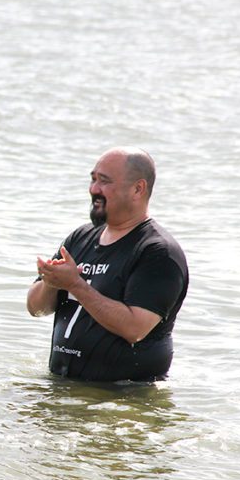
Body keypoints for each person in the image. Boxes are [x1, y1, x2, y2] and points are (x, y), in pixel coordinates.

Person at [26, 147, 188, 382]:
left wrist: (75, 285)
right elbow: (35, 308)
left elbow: (135, 329)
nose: (94, 189)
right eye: (93, 179)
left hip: (124, 398)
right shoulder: (80, 237)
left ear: (137, 189)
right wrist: (51, 282)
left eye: (104, 181)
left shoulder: (158, 252)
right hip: (63, 389)